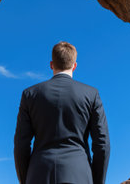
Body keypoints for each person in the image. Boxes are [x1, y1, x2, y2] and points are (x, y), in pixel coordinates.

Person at [14, 41, 110, 184]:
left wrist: (26, 179)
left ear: (52, 64)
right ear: (74, 65)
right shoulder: (91, 94)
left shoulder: (30, 94)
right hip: (79, 175)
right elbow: (102, 144)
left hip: (38, 174)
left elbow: (21, 144)